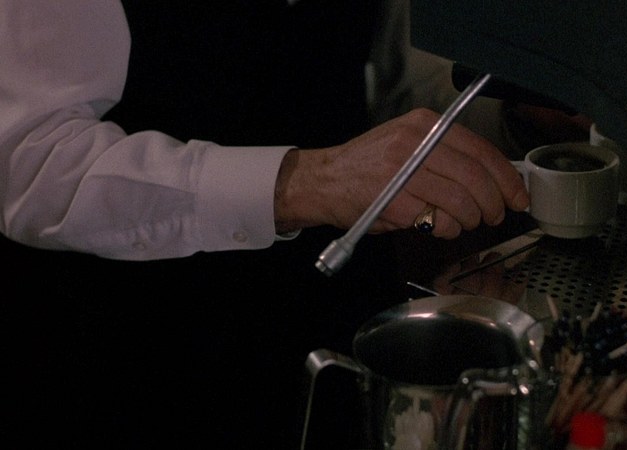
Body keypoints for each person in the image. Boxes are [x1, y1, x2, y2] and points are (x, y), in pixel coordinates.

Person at [0, 1, 589, 447]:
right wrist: (306, 181)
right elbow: (30, 162)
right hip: (130, 355)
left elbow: (395, 80)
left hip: (329, 328)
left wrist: (517, 119)